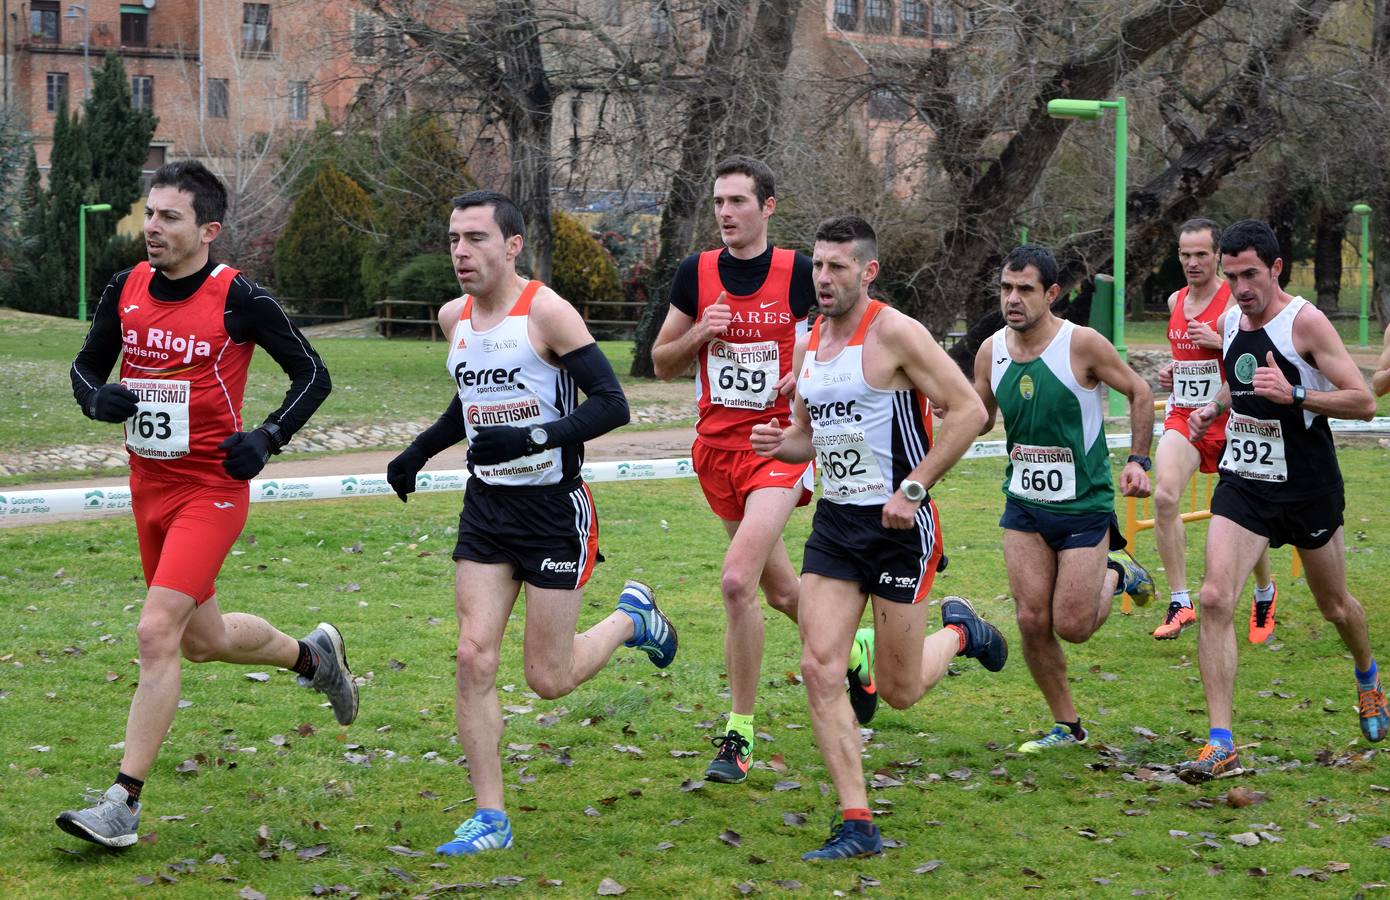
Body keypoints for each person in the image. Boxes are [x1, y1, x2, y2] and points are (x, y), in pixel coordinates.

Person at [59, 160, 345, 849]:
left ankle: (122, 804)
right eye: (149, 213)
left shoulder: (240, 298)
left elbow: (314, 372)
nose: (152, 227)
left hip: (210, 491)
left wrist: (269, 436)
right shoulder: (124, 288)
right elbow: (85, 366)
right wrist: (95, 399)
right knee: (202, 640)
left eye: (170, 217)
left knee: (156, 632)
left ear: (208, 229)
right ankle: (313, 659)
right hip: (147, 487)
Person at [385, 190, 678, 855]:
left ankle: (633, 618)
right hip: (487, 508)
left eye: (477, 238)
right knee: (472, 653)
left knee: (547, 679)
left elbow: (612, 405)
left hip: (553, 511)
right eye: (454, 238)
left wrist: (535, 438)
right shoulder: (452, 317)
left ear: (512, 245)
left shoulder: (546, 311)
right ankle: (491, 816)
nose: (461, 251)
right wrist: (419, 450)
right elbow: (470, 400)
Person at [751, 216, 1006, 861]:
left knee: (900, 691)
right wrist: (782, 445)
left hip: (899, 526)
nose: (824, 278)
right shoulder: (810, 339)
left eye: (838, 267)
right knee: (818, 666)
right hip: (836, 525)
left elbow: (971, 411)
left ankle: (961, 633)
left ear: (868, 272)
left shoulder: (894, 332)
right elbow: (812, 435)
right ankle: (858, 821)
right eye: (817, 265)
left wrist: (914, 487)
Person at [652, 156, 866, 788]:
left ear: (767, 207)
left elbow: (855, 331)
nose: (725, 213)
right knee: (777, 591)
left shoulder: (803, 272)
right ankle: (854, 651)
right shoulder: (697, 273)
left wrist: (810, 370)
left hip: (778, 447)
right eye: (718, 201)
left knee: (737, 582)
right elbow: (660, 362)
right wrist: (700, 336)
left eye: (739, 201)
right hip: (715, 451)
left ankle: (738, 733)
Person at [1176, 219, 1387, 782]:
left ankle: (1367, 675)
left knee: (1335, 607)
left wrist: (1295, 393)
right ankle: (1221, 742)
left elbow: (1363, 401)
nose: (1241, 288)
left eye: (1250, 275)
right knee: (1216, 597)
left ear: (1275, 269)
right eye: (1232, 275)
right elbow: (1238, 376)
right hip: (1245, 481)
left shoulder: (1306, 322)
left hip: (1308, 485)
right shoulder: (1228, 317)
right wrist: (1214, 408)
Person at [971, 245, 1155, 755]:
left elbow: (1140, 392)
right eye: (1006, 288)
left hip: (1083, 507)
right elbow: (978, 415)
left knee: (1071, 626)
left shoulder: (1082, 345)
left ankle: (1119, 573)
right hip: (1024, 504)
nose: (1013, 299)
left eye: (1025, 289)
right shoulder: (992, 350)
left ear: (1051, 293)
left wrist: (1139, 460)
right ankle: (1067, 726)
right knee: (1032, 619)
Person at [1152, 219, 1275, 641]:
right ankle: (1181, 600)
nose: (1192, 263)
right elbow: (1186, 359)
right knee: (1165, 495)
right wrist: (1174, 371)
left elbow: (1252, 359)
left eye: (1201, 254)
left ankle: (1264, 591)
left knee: (1245, 516)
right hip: (1186, 416)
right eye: (1185, 255)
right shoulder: (1175, 300)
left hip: (1233, 419)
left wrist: (1220, 339)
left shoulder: (1235, 304)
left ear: (1218, 256)